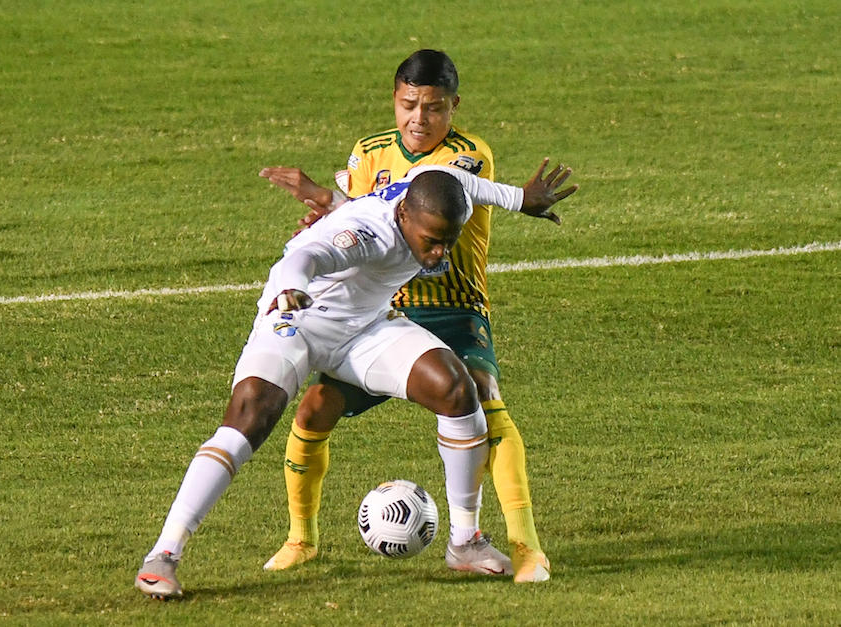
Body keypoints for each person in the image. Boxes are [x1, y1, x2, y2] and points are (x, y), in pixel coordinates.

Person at [135, 165, 571, 599]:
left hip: (363, 328)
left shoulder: (436, 187)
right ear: (404, 215)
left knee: (456, 390)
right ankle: (164, 556)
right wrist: (289, 291)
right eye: (431, 241)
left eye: (448, 242)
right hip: (296, 316)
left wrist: (520, 199)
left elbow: (469, 185)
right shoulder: (368, 234)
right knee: (250, 418)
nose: (439, 253)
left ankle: (465, 541)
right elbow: (304, 258)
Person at [259, 49, 577, 583]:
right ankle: (300, 540)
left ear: (453, 107)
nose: (418, 120)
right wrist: (325, 215)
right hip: (381, 314)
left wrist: (519, 199)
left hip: (452, 306)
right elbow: (369, 219)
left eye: (433, 109)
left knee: (483, 397)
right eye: (409, 106)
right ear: (395, 99)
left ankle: (527, 549)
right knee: (312, 410)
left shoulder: (468, 156)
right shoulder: (369, 151)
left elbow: (425, 192)